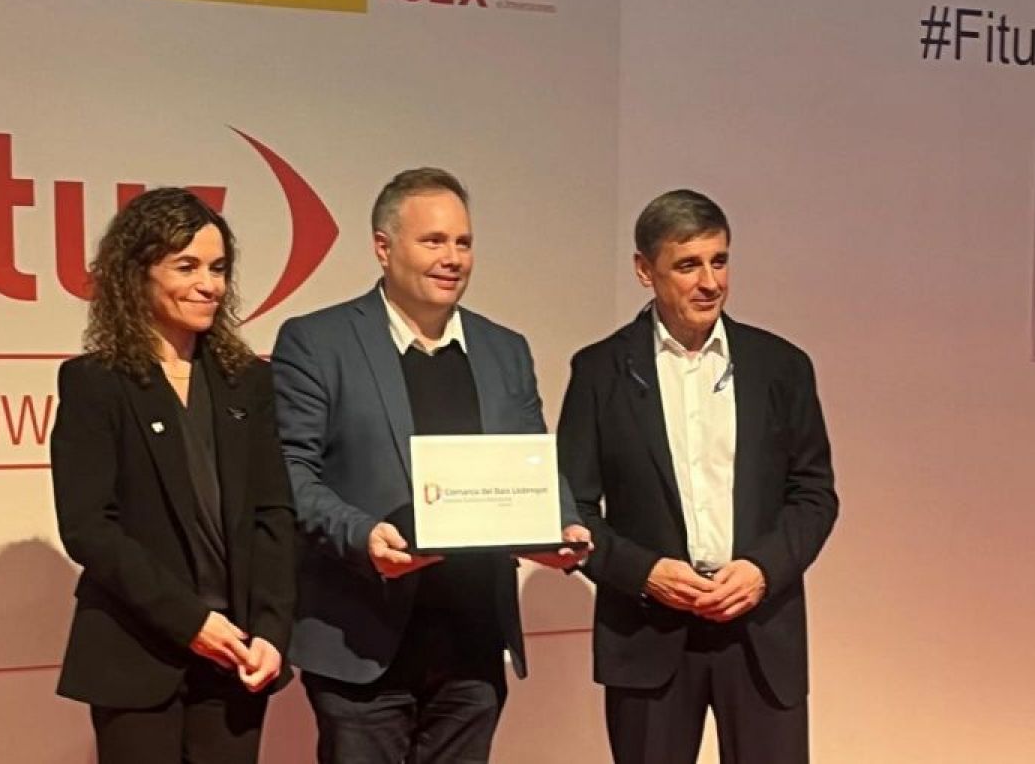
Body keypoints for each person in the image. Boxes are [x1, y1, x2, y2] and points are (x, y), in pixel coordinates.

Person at [271, 167, 590, 764]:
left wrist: (561, 524)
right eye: (434, 241)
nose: (453, 258)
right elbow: (290, 472)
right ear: (383, 247)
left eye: (463, 242)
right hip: (361, 644)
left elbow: (530, 457)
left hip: (472, 646)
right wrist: (363, 536)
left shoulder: (504, 348)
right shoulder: (318, 341)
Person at [558, 189, 838, 764]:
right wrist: (646, 574)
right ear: (645, 270)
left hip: (760, 628)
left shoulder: (781, 366)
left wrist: (762, 570)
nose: (710, 282)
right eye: (688, 265)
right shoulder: (599, 371)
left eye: (720, 260)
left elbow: (814, 494)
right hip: (648, 633)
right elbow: (571, 510)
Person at [49, 187, 297, 764]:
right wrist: (191, 622)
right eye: (187, 267)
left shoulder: (248, 382)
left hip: (238, 654)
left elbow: (274, 514)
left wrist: (271, 631)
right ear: (138, 274)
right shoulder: (95, 383)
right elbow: (89, 528)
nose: (209, 285)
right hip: (137, 652)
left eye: (218, 268)